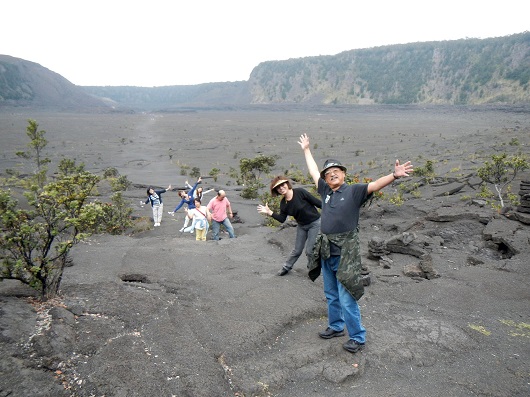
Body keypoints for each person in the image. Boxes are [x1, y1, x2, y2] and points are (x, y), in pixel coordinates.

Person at [298, 133, 413, 354]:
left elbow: (376, 185)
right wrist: (306, 150)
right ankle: (336, 326)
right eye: (328, 174)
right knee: (331, 293)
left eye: (336, 172)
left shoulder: (353, 191)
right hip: (326, 252)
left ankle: (358, 337)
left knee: (346, 295)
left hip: (345, 254)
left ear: (343, 174)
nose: (331, 175)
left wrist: (394, 175)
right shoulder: (325, 191)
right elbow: (313, 171)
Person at [257, 176, 322, 276]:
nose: (281, 188)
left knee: (309, 251)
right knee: (297, 250)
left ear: (287, 184)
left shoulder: (300, 192)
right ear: (276, 190)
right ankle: (286, 267)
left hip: (315, 223)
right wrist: (269, 212)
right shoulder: (284, 203)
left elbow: (318, 203)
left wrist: (331, 211)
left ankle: (312, 269)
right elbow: (282, 219)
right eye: (278, 187)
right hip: (302, 226)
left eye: (282, 185)